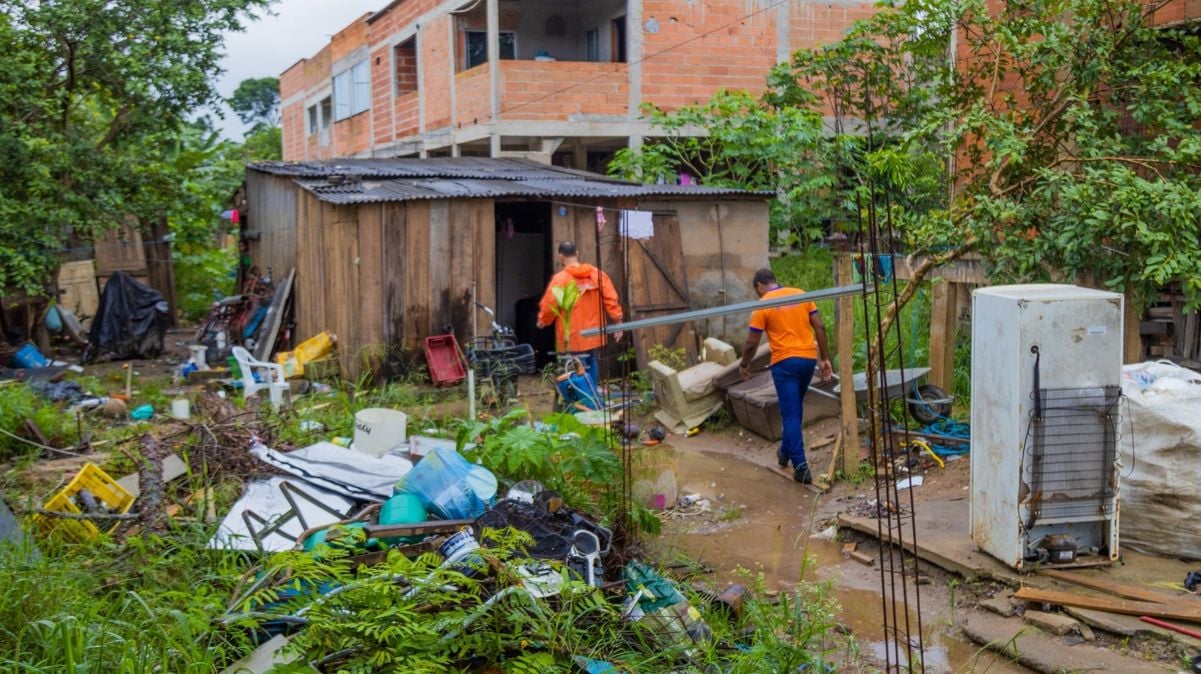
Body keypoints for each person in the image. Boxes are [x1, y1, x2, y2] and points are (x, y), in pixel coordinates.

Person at [739, 268, 833, 484]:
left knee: (790, 413)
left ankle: (801, 467)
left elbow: (752, 342)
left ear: (760, 286)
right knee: (795, 408)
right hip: (808, 360)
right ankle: (784, 453)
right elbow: (819, 326)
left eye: (758, 292)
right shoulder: (801, 294)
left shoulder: (763, 305)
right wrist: (825, 359)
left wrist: (744, 364)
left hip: (784, 364)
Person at [537, 241, 624, 387]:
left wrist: (543, 321)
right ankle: (593, 398)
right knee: (591, 364)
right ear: (577, 253)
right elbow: (611, 299)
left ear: (561, 256)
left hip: (573, 335)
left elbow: (550, 305)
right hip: (593, 332)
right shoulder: (597, 275)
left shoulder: (560, 279)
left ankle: (585, 401)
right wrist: (618, 321)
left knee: (577, 370)